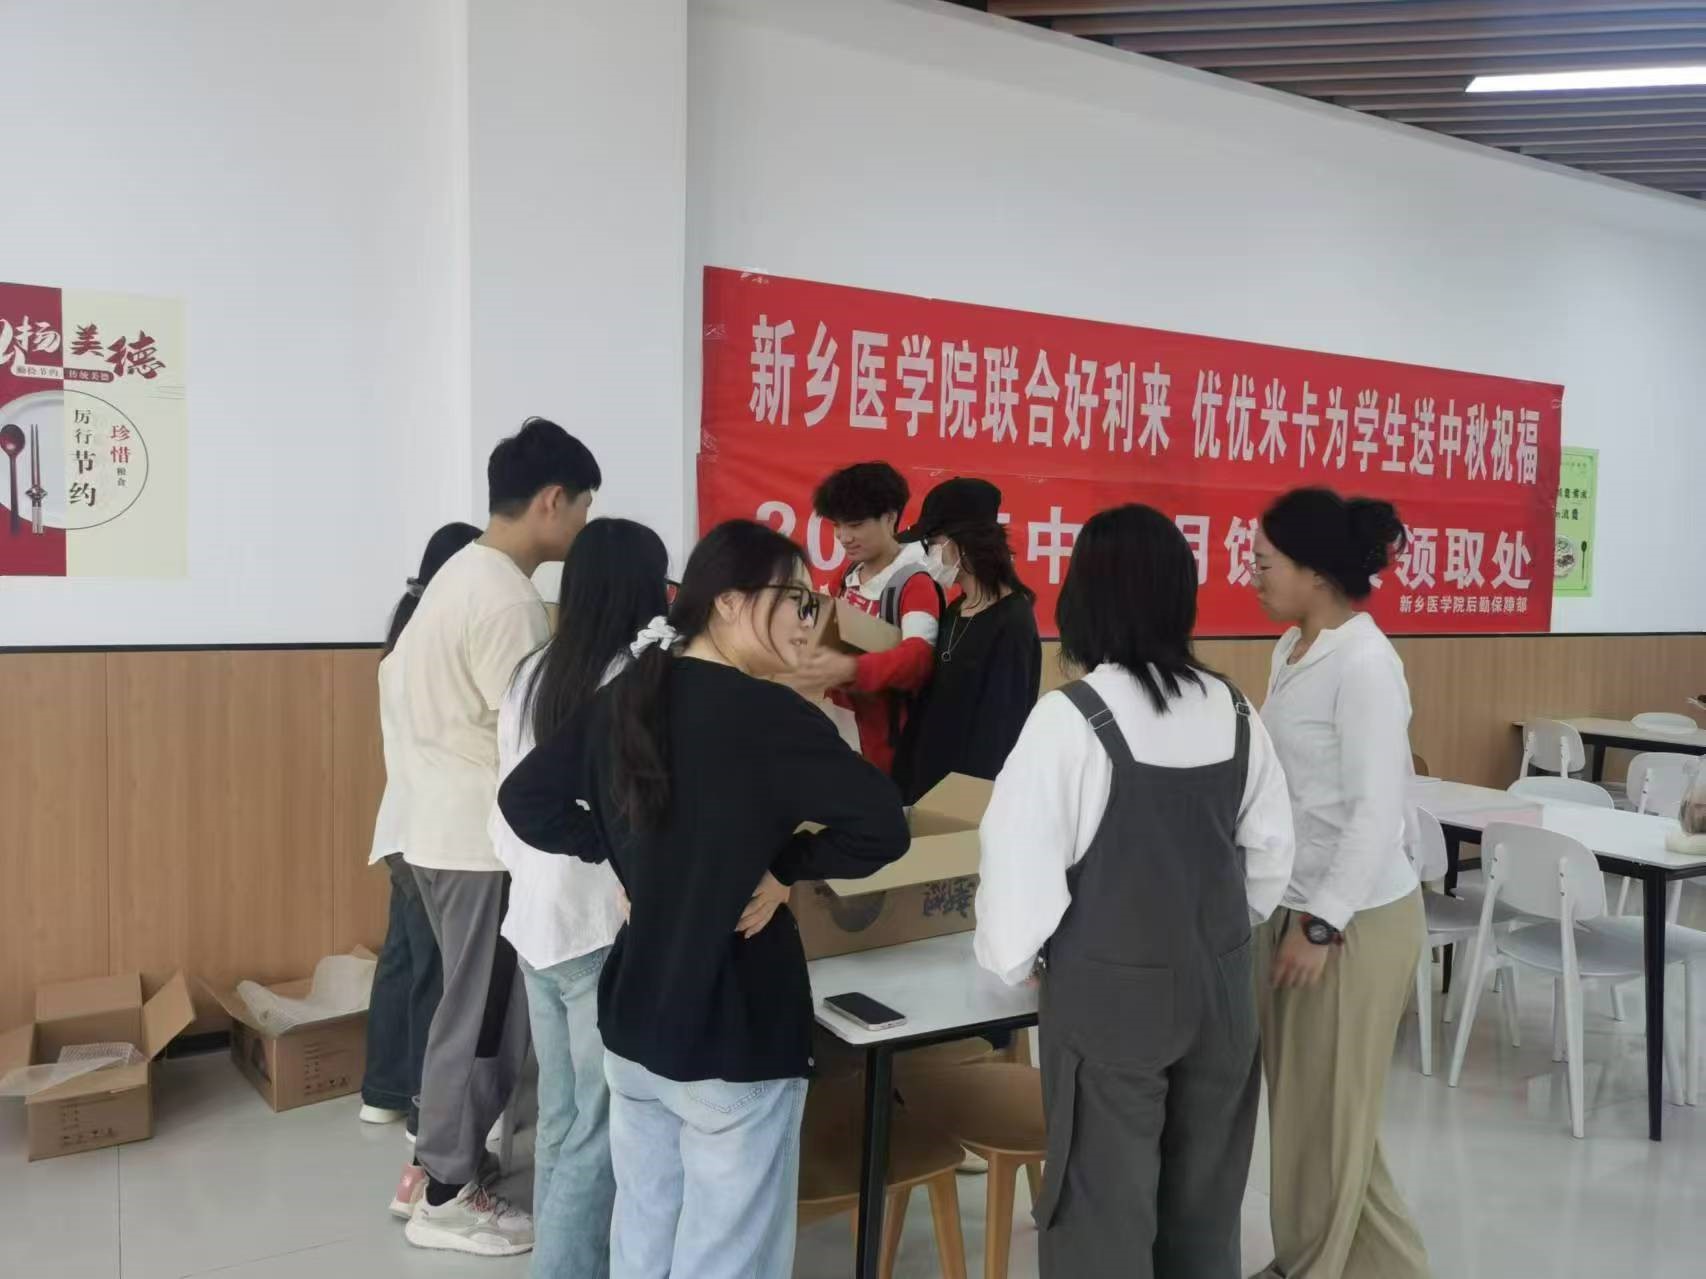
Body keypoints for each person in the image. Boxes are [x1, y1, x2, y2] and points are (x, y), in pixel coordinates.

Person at [498, 519, 909, 1279]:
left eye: (812, 604)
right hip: (733, 1028)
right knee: (726, 1256)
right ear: (728, 602)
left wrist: (620, 859)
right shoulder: (773, 716)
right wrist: (786, 869)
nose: (807, 621)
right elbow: (884, 828)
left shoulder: (628, 695)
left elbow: (526, 799)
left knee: (644, 1233)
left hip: (635, 1023)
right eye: (794, 600)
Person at [975, 504, 1296, 1279]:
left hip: (1111, 1001)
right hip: (1222, 991)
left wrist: (1017, 963)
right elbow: (1269, 863)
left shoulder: (1068, 721)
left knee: (1101, 1209)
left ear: (1085, 597)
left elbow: (1017, 879)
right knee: (1205, 1205)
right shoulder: (1236, 711)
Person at [396, 417, 602, 1259]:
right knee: (480, 1022)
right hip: (476, 841)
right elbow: (537, 739)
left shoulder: (458, 575)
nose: (584, 524)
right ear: (552, 500)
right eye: (583, 507)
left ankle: (438, 1167)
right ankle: (447, 1194)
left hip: (435, 826)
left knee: (467, 1010)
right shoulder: (508, 600)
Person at [1248, 487, 1431, 1279]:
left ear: (1315, 572)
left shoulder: (1363, 663)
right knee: (1317, 1117)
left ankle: (1310, 1267)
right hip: (1298, 904)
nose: (1252, 576)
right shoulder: (1292, 648)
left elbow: (1375, 813)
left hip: (1356, 921)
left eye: (1265, 563)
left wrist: (1321, 924)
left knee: (1329, 1119)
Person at [490, 518, 668, 1279]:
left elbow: (508, 798)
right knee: (598, 1126)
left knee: (562, 1120)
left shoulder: (531, 671)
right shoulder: (633, 677)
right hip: (598, 925)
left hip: (536, 921)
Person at [362, 522, 479, 1161]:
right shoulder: (441, 637)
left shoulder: (404, 635)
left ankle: (383, 1092)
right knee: (438, 970)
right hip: (435, 828)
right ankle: (422, 1106)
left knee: (403, 960)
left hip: (401, 822)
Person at [893, 477, 1041, 804]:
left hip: (962, 800)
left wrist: (965, 803)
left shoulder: (1012, 621)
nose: (928, 553)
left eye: (932, 542)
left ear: (962, 542)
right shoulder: (957, 608)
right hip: (924, 785)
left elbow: (1000, 729)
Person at [791, 462, 941, 774]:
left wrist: (852, 669)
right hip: (839, 726)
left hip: (884, 743)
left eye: (856, 525)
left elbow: (918, 657)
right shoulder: (846, 574)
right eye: (837, 525)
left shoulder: (914, 583)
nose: (844, 537)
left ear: (890, 518)